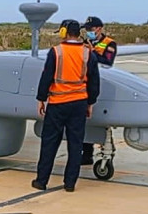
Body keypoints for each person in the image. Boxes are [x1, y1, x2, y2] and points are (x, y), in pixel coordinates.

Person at [32, 19, 100, 192]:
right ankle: (70, 183)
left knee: (49, 142)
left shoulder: (56, 52)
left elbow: (46, 77)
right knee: (76, 144)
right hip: (79, 103)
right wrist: (90, 102)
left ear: (64, 32)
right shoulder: (88, 54)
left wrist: (41, 98)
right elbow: (94, 81)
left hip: (57, 103)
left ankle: (41, 181)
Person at [81, 16, 117, 164]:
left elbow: (108, 61)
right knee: (85, 120)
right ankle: (86, 153)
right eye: (86, 29)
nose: (88, 32)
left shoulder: (109, 44)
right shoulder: (84, 42)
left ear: (99, 29)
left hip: (101, 82)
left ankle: (105, 147)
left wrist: (93, 52)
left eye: (91, 29)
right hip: (86, 83)